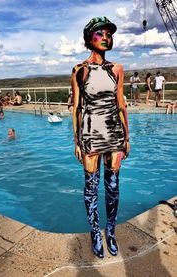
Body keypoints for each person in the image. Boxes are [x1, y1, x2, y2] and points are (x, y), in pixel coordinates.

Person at [71, 16, 130, 258]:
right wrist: (76, 141)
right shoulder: (80, 70)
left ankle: (111, 231)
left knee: (113, 187)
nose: (106, 37)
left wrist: (127, 137)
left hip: (115, 132)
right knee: (91, 187)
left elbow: (121, 104)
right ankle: (96, 232)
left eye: (108, 34)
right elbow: (76, 107)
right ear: (89, 38)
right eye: (100, 34)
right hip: (90, 133)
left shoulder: (117, 69)